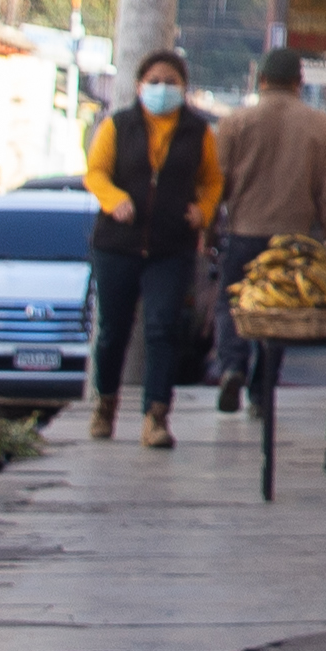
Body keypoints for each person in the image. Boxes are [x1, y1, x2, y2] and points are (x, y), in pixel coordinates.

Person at [80, 50, 219, 448]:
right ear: (140, 85)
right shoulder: (118, 125)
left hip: (171, 246)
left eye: (171, 82)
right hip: (118, 244)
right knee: (113, 331)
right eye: (155, 81)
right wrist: (113, 199)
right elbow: (95, 172)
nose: (162, 88)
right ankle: (105, 406)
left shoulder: (199, 132)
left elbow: (212, 180)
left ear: (184, 87)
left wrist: (204, 211)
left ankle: (156, 418)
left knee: (163, 330)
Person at [209, 50, 326, 415]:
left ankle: (233, 366)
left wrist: (207, 231)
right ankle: (261, 391)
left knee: (232, 304)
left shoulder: (236, 123)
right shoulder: (319, 126)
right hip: (292, 239)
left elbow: (216, 184)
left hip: (244, 231)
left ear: (261, 80)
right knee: (281, 313)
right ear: (299, 83)